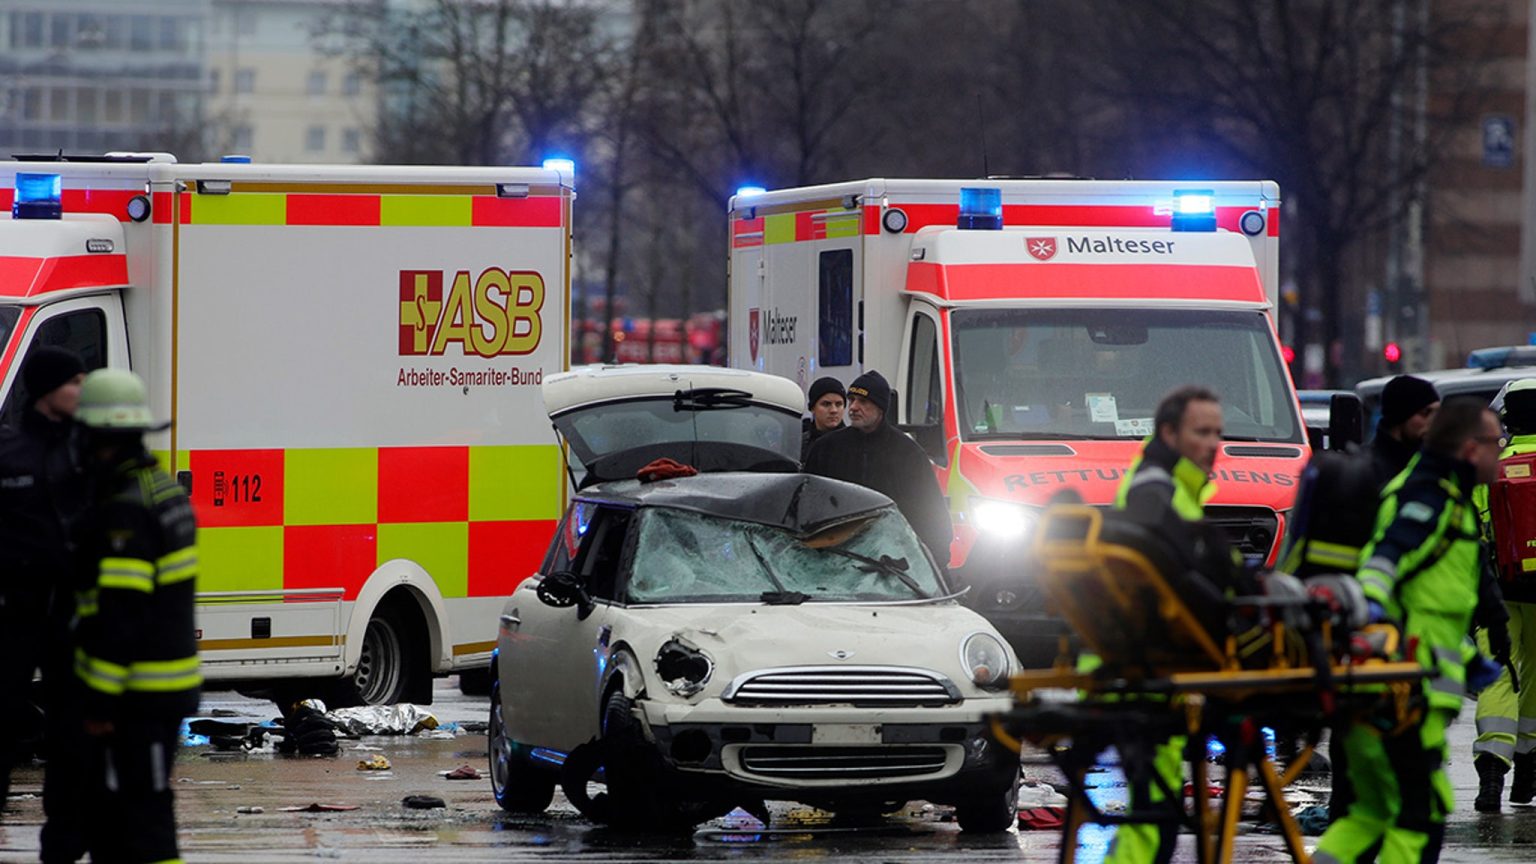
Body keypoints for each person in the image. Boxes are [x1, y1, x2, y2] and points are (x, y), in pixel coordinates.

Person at [1313, 397, 1503, 864]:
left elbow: (1429, 600)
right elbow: (1385, 562)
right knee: (1418, 818)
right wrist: (1369, 608)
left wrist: (1470, 660)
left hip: (1390, 682)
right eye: (1495, 444)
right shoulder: (1430, 497)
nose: (1501, 453)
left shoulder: (1438, 495)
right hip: (1402, 690)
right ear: (1470, 449)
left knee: (1369, 816)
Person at [71, 368, 200, 864]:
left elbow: (121, 614)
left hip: (137, 695)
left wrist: (101, 701)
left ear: (101, 439)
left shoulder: (126, 508)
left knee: (144, 820)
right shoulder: (163, 492)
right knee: (123, 816)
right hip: (158, 690)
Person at [1099, 386, 1231, 864]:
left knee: (1155, 817)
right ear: (1170, 434)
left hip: (1155, 671)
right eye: (1202, 432)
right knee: (1154, 821)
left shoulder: (1164, 489)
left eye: (1218, 432)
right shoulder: (1156, 494)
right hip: (1150, 673)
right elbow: (1178, 581)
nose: (1214, 443)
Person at [0, 347, 90, 858]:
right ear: (48, 388)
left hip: (70, 616)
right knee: (4, 725)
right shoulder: (9, 451)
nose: (82, 389)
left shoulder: (85, 452)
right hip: (14, 611)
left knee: (71, 735)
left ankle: (63, 845)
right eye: (74, 381)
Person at [803, 370, 952, 564]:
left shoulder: (908, 453)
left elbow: (930, 513)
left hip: (895, 563)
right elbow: (807, 508)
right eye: (852, 400)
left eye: (863, 402)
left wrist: (935, 562)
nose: (854, 407)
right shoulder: (826, 449)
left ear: (881, 408)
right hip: (836, 560)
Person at [1472, 378, 1536, 812]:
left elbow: (1474, 530)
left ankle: (1492, 770)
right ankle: (1528, 769)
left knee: (1500, 672)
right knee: (1535, 674)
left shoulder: (1493, 467)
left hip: (1499, 590)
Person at [1370, 375, 1440, 488]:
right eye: (1426, 413)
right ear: (1400, 417)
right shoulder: (1370, 471)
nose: (1434, 422)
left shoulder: (1432, 463)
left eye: (1437, 413)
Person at [801, 377, 846, 462]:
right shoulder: (801, 444)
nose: (834, 410)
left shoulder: (853, 443)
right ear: (812, 408)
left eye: (839, 404)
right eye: (826, 404)